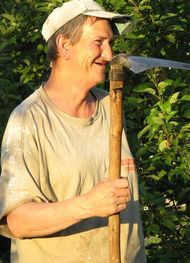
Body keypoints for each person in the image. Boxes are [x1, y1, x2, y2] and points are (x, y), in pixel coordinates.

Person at [0, 0, 146, 262]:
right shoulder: (28, 120)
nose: (109, 53)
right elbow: (18, 221)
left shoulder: (111, 105)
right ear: (65, 45)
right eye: (99, 42)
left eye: (110, 43)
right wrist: (87, 205)